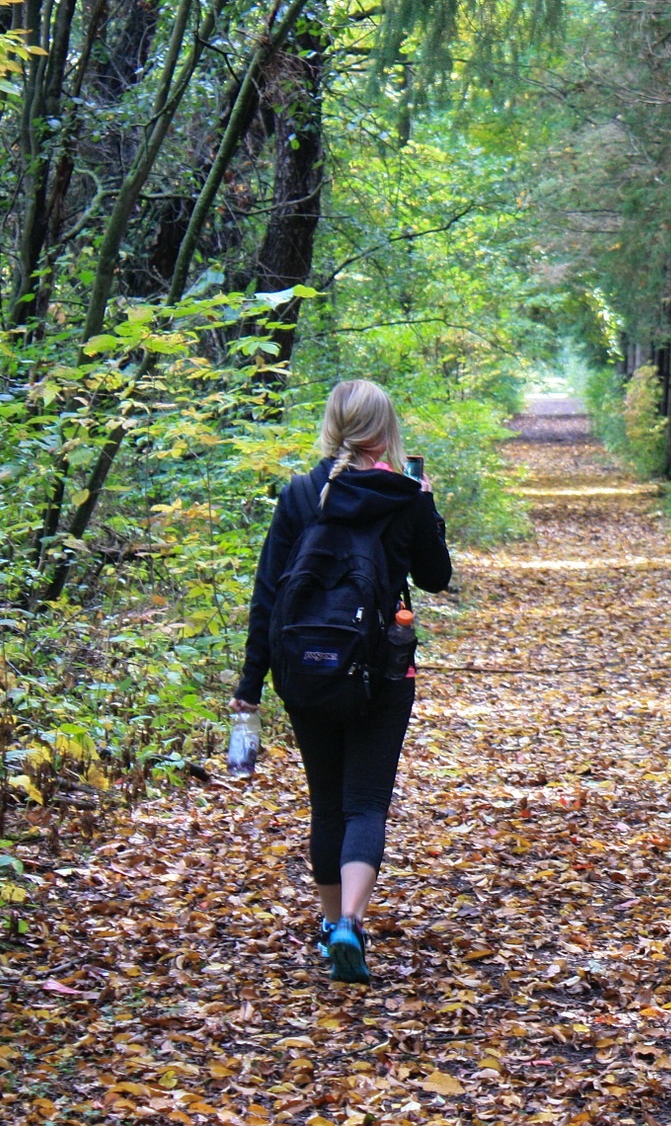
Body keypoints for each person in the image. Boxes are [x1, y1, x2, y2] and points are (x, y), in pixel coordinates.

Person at [232, 379, 452, 984]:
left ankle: (332, 929)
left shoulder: (301, 494)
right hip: (383, 669)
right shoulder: (402, 494)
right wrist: (426, 505)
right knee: (365, 803)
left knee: (326, 803)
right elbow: (435, 577)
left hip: (305, 671)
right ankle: (354, 921)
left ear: (333, 426)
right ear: (386, 430)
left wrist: (251, 682)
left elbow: (269, 593)